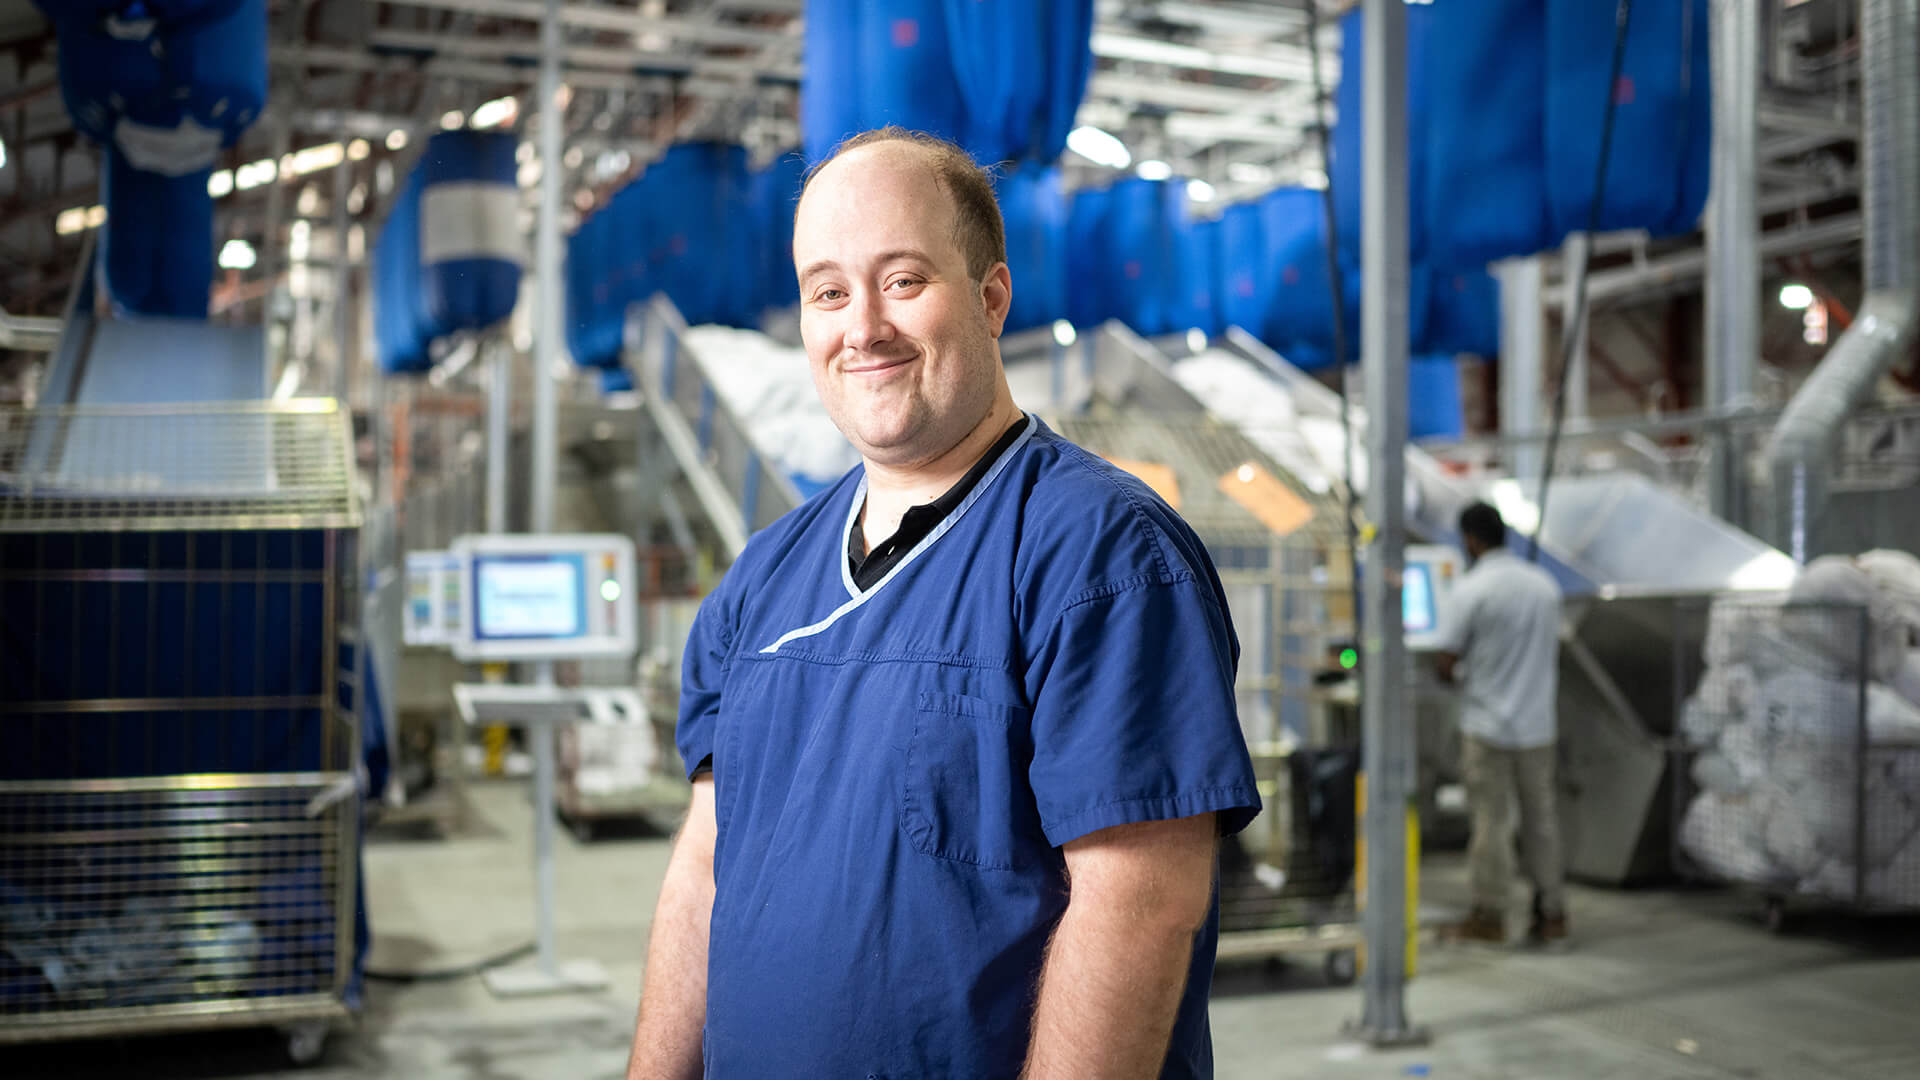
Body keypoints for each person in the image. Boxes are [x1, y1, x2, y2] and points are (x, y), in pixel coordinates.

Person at [625, 127, 1261, 1080]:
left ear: (992, 297)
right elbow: (705, 867)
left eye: (905, 280)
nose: (864, 326)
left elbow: (1141, 905)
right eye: (829, 292)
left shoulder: (1101, 554)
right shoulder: (762, 579)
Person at [1434, 501, 1568, 947]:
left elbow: (1446, 660)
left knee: (1492, 821)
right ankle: (1552, 914)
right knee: (1541, 821)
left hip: (1488, 726)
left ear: (1471, 539)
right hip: (1538, 727)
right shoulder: (1544, 586)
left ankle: (1490, 916)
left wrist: (1457, 674)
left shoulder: (1473, 590)